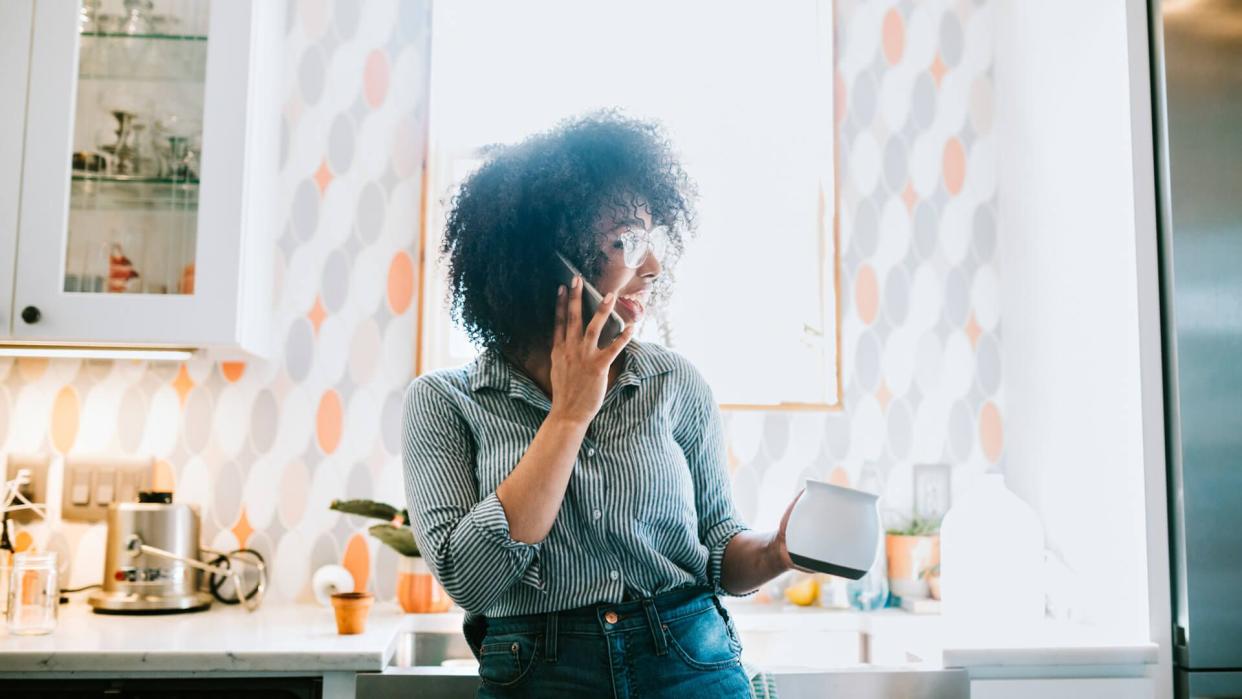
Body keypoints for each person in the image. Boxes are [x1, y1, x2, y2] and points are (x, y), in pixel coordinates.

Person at [402, 111, 803, 698]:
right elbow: (472, 579)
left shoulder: (674, 380)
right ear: (548, 260)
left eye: (652, 238)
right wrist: (568, 415)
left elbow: (716, 550)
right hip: (538, 673)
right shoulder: (443, 401)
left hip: (690, 659)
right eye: (627, 239)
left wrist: (774, 552)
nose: (653, 266)